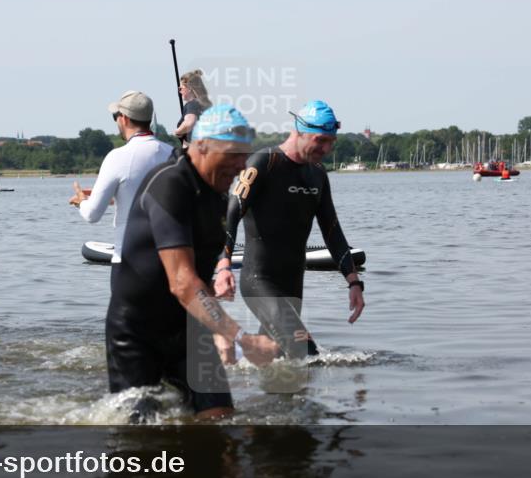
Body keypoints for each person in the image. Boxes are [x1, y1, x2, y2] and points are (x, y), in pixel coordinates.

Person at [106, 105, 278, 422]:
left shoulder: (220, 199)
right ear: (201, 146)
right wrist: (242, 338)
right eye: (232, 154)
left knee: (221, 422)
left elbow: (200, 275)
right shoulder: (170, 184)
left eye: (246, 155)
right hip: (137, 334)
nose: (241, 166)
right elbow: (183, 282)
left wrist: (218, 334)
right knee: (142, 440)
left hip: (188, 332)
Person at [214, 100, 365, 360]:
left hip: (293, 285)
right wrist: (223, 264)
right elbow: (231, 214)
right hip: (259, 282)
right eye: (320, 140)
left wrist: (353, 282)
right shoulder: (264, 162)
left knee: (274, 361)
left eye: (331, 142)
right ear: (299, 131)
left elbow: (332, 232)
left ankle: (231, 378)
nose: (326, 149)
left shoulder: (317, 174)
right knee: (306, 354)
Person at [68, 90, 173, 264]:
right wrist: (116, 195)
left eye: (115, 116)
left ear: (124, 118)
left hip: (129, 264)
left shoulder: (116, 157)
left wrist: (81, 200)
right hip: (168, 264)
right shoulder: (174, 154)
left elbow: (92, 215)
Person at [173, 70, 213, 144]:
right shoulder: (206, 105)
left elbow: (190, 122)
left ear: (189, 88)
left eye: (181, 88)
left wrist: (177, 132)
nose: (179, 91)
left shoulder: (192, 104)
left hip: (193, 150)